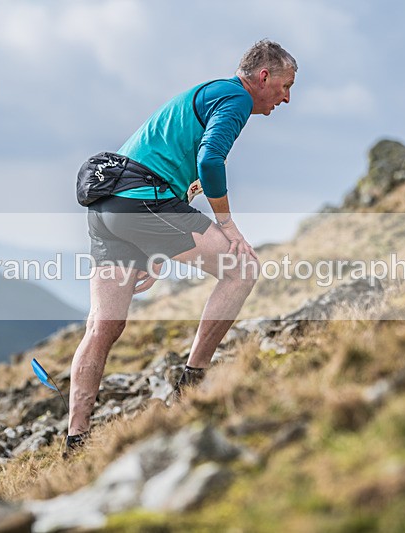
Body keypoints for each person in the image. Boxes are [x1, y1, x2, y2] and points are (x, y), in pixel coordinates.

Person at [65, 40, 297, 453]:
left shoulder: (207, 94)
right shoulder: (235, 97)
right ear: (264, 77)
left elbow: (167, 169)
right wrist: (228, 226)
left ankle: (75, 438)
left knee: (103, 325)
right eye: (286, 86)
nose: (286, 98)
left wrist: (149, 248)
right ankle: (192, 381)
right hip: (141, 200)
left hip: (107, 206)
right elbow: (210, 161)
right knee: (242, 268)